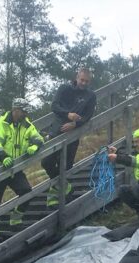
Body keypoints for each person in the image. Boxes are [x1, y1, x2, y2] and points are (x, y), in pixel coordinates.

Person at [41, 67, 96, 206]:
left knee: (65, 167)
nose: (83, 83)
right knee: (46, 162)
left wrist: (75, 124)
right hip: (56, 130)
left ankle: (54, 198)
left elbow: (88, 115)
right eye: (82, 80)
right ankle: (66, 187)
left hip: (73, 134)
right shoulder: (64, 88)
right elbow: (54, 106)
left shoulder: (91, 95)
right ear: (77, 77)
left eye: (87, 81)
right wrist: (68, 114)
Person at [0, 98, 44, 227]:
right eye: (23, 111)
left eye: (26, 112)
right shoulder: (1, 123)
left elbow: (38, 138)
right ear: (15, 110)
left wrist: (35, 146)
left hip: (16, 167)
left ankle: (16, 216)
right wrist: (3, 157)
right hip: (0, 167)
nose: (26, 114)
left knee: (26, 191)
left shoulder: (26, 124)